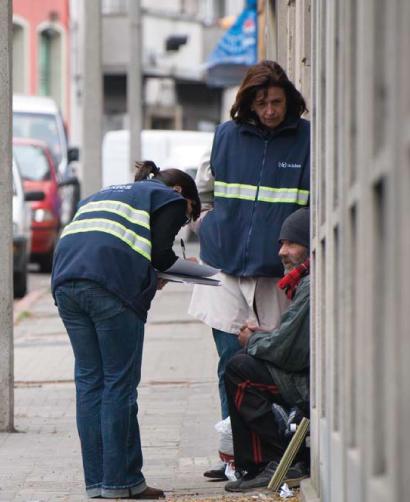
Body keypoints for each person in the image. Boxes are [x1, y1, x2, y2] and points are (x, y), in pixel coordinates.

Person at [188, 60, 310, 479]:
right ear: (248, 102)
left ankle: (274, 451)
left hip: (277, 274)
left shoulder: (306, 140)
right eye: (262, 103)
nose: (270, 111)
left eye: (276, 102)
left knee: (268, 366)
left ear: (289, 101)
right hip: (223, 267)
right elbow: (204, 187)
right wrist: (206, 221)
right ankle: (236, 455)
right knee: (229, 363)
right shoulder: (226, 136)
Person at [51, 162, 200, 500]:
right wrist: (173, 273)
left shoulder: (102, 195)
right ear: (180, 193)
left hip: (65, 282)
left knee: (90, 383)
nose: (183, 222)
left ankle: (105, 483)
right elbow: (161, 255)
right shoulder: (168, 199)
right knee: (119, 384)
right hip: (110, 287)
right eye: (188, 215)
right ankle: (119, 484)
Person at [223, 207, 311, 492]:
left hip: (308, 382)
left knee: (240, 370)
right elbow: (291, 338)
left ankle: (271, 461)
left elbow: (289, 351)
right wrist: (265, 337)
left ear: (310, 246)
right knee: (242, 363)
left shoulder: (310, 285)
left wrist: (253, 341)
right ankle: (258, 462)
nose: (282, 252)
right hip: (308, 375)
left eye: (291, 243)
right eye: (281, 244)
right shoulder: (306, 281)